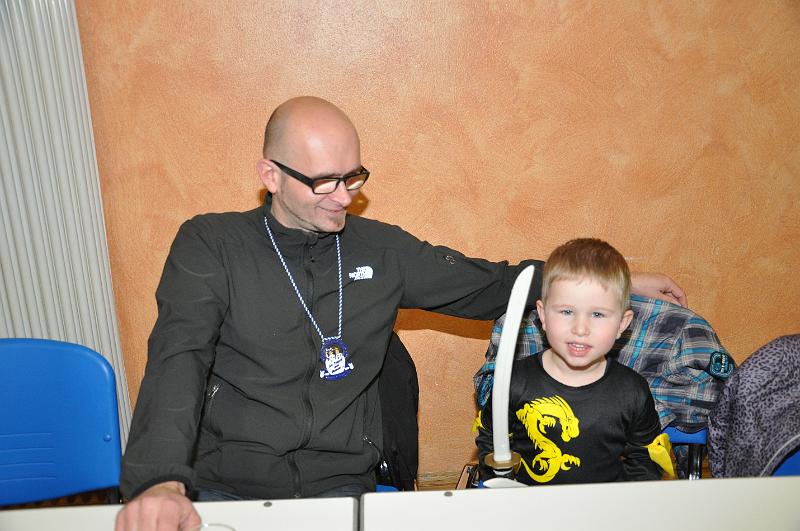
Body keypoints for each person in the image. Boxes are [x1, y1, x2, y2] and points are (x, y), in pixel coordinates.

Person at [115, 97, 685, 530]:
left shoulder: (379, 249)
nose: (344, 196)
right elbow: (178, 357)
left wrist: (614, 285)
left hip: (338, 485)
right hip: (227, 484)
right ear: (271, 176)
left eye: (353, 177)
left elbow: (491, 283)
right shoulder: (211, 244)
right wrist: (159, 480)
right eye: (324, 181)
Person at [475, 238, 672, 485]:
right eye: (567, 311)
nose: (580, 328)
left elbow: (645, 460)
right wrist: (499, 480)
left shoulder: (632, 391)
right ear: (543, 315)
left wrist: (626, 500)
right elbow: (491, 439)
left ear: (622, 324)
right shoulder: (514, 382)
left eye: (597, 314)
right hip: (529, 503)